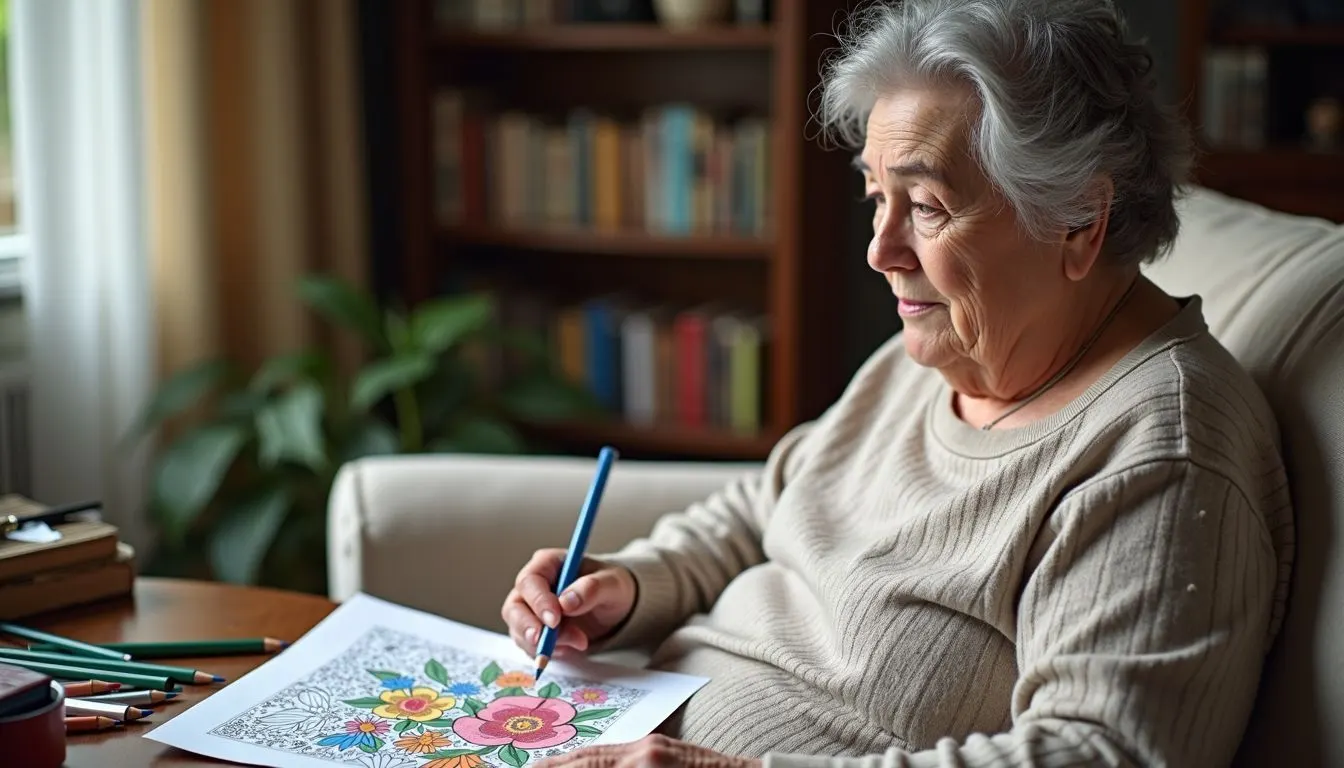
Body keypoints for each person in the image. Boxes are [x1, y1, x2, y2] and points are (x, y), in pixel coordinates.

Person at [502, 1, 1295, 765]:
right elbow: (769, 503)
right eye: (877, 196)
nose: (881, 250)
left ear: (1080, 220)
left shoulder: (1160, 454)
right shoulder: (944, 353)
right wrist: (632, 584)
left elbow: (1101, 753)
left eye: (926, 205)